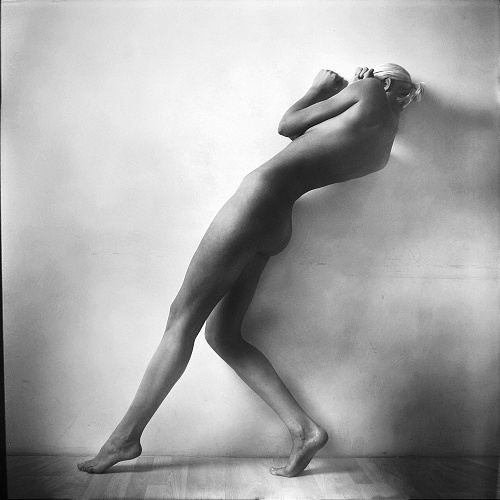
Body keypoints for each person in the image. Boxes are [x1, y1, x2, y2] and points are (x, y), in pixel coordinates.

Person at [77, 63, 424, 477]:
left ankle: (124, 438)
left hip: (256, 200)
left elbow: (288, 127)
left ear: (385, 82)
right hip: (279, 222)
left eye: (370, 73)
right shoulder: (381, 153)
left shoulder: (366, 91)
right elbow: (309, 144)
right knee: (222, 335)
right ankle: (305, 430)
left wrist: (318, 89)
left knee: (180, 320)